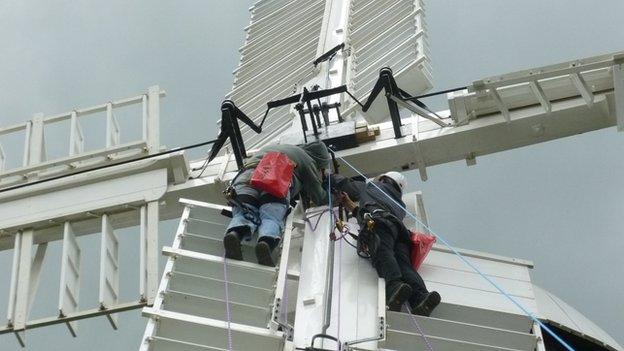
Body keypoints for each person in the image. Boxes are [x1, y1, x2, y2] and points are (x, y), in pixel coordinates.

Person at [334, 171, 441, 316]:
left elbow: (345, 185)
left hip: (380, 224)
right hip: (400, 233)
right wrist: (349, 204)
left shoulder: (372, 186)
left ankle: (394, 286)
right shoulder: (399, 204)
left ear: (384, 179)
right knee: (405, 266)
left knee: (383, 252)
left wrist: (329, 176)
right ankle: (421, 297)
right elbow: (370, 209)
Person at [223, 141, 330, 267]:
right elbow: (319, 196)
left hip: (247, 176)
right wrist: (333, 196)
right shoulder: (308, 160)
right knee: (271, 217)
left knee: (245, 211)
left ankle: (234, 234)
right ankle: (265, 243)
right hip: (275, 180)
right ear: (319, 160)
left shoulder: (274, 147)